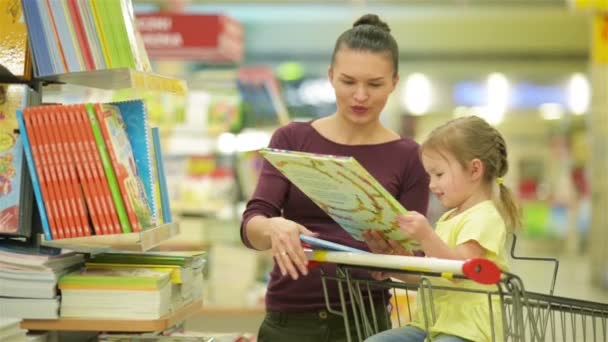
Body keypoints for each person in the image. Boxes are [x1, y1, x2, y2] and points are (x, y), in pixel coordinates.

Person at [240, 13, 430, 342]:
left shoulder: (410, 157)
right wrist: (273, 227)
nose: (360, 96)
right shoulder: (292, 140)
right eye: (348, 81)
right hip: (288, 322)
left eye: (374, 84)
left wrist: (392, 259)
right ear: (330, 76)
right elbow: (250, 226)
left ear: (394, 83)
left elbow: (417, 266)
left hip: (365, 325)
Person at [365, 115, 522, 342]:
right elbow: (430, 277)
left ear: (475, 170)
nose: (431, 184)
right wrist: (392, 269)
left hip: (468, 331)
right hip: (431, 324)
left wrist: (426, 235)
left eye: (439, 174)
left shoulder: (485, 216)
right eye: (429, 175)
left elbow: (459, 272)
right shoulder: (449, 218)